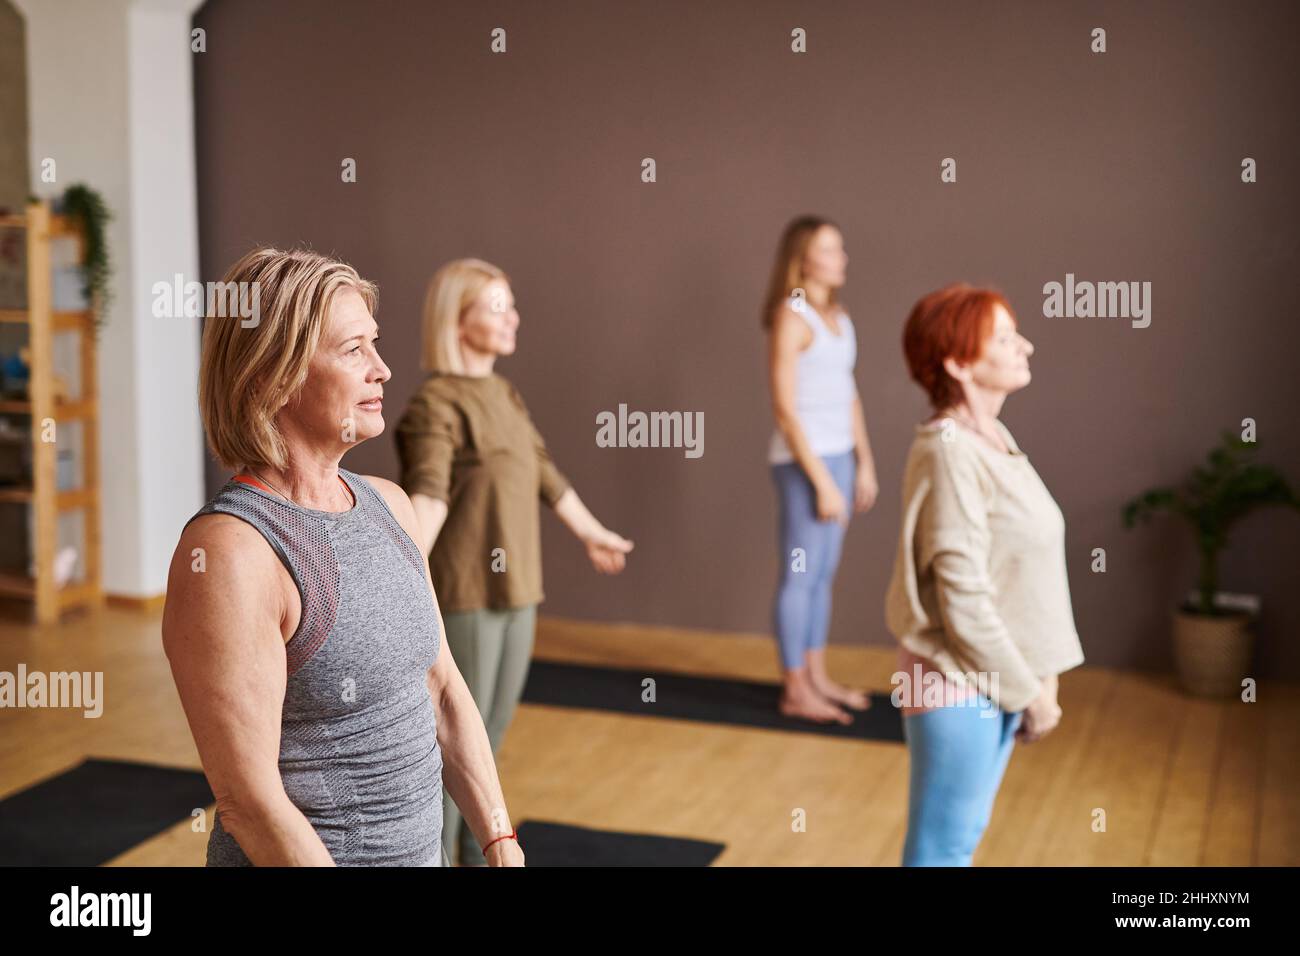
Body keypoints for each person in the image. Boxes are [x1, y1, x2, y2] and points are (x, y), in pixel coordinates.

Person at [162, 247, 523, 866]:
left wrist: (500, 840)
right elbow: (250, 802)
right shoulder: (231, 554)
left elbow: (441, 691)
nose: (381, 370)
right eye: (353, 350)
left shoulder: (389, 505)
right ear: (273, 376)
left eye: (374, 345)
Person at [395, 257, 633, 866]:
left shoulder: (503, 393)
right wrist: (391, 567)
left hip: (518, 590)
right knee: (456, 749)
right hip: (465, 594)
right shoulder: (435, 403)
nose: (514, 319)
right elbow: (428, 494)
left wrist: (593, 532)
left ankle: (481, 857)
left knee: (490, 742)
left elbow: (545, 473)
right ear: (459, 318)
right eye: (498, 307)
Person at [885, 283, 1085, 866]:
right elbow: (964, 601)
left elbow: (1014, 576)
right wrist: (1031, 694)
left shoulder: (991, 438)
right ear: (958, 361)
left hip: (995, 679)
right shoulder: (950, 451)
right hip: (957, 682)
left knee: (961, 839)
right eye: (1002, 337)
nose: (1024, 345)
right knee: (940, 850)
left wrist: (1038, 678)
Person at [763, 216, 879, 724]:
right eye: (830, 249)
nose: (842, 258)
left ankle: (817, 677)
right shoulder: (792, 318)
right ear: (804, 259)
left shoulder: (839, 317)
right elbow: (786, 410)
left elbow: (847, 394)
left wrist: (865, 463)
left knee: (822, 577)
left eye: (840, 248)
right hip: (802, 463)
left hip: (839, 458)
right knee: (799, 575)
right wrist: (821, 480)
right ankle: (795, 689)